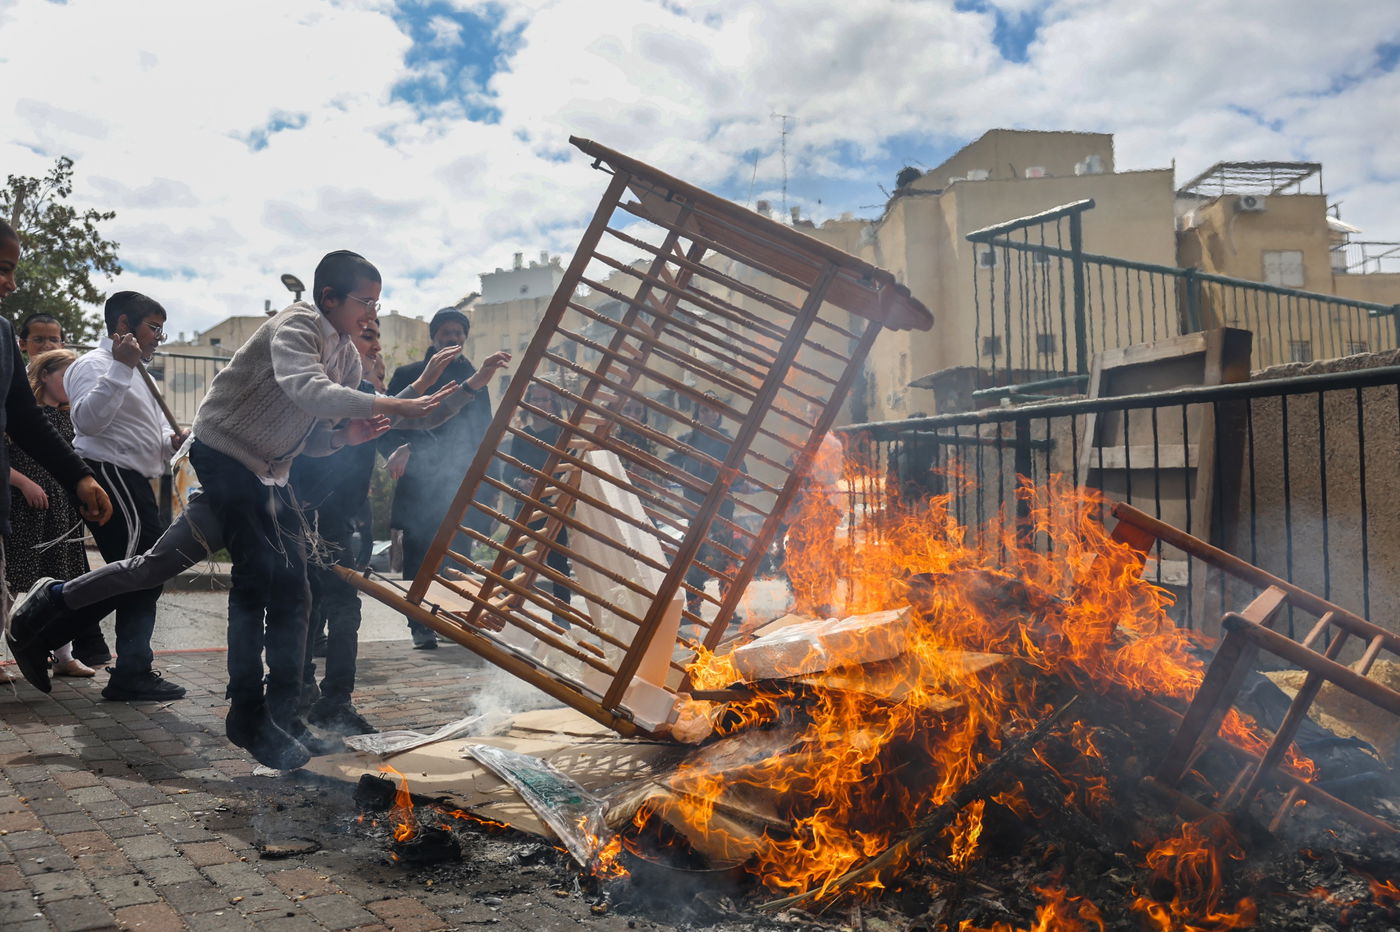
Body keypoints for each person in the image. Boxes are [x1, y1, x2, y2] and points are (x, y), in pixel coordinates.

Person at [294, 314, 489, 735]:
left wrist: (472, 383)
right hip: (307, 514)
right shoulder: (329, 395)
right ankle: (295, 689)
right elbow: (403, 407)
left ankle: (335, 701)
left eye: (379, 348)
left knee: (344, 608)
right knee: (307, 606)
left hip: (344, 517)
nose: (376, 352)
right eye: (370, 349)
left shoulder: (371, 396)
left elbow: (421, 414)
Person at [53, 291, 188, 701]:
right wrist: (121, 368)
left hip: (138, 479)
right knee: (138, 573)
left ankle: (132, 669)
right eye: (154, 328)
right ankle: (48, 619)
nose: (159, 338)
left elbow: (136, 436)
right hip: (111, 477)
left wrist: (171, 441)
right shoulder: (94, 365)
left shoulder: (135, 374)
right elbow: (88, 422)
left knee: (144, 576)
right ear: (125, 325)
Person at [0, 219, 114, 686]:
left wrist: (79, 477)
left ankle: (47, 646)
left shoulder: (3, 335)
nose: (10, 282)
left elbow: (25, 422)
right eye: (4, 269)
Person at [383, 307, 507, 649]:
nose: (453, 338)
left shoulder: (475, 376)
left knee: (458, 552)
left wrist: (491, 481)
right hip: (421, 479)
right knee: (419, 551)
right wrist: (402, 448)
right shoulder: (410, 374)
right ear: (434, 336)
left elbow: (487, 432)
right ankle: (419, 623)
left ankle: (452, 618)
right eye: (446, 333)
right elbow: (387, 421)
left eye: (458, 333)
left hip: (461, 481)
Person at [6, 348, 96, 678]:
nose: (71, 387)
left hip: (61, 512)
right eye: (64, 377)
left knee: (64, 583)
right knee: (10, 584)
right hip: (25, 510)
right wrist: (23, 483)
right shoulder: (21, 415)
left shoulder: (73, 420)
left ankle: (63, 655)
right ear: (43, 375)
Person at [504, 381, 572, 626]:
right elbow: (507, 473)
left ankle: (562, 617)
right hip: (524, 505)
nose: (540, 405)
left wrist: (546, 484)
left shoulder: (562, 435)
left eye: (545, 400)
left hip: (552, 506)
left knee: (557, 564)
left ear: (553, 404)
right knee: (511, 557)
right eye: (536, 400)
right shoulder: (521, 436)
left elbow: (569, 471)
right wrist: (521, 482)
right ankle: (501, 609)